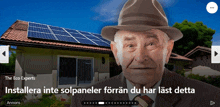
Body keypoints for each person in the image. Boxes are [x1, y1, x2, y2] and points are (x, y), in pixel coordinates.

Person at [71, 0, 220, 107]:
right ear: (116, 52)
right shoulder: (84, 100)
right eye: (130, 45)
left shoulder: (209, 99)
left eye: (151, 44)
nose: (140, 57)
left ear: (168, 50)